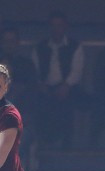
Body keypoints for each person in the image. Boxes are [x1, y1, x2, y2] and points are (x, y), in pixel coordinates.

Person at [31, 11, 84, 149]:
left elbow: (76, 71)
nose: (56, 29)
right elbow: (34, 71)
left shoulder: (75, 47)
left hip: (68, 88)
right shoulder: (39, 47)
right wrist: (41, 85)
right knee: (38, 103)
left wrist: (66, 85)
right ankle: (43, 143)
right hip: (45, 87)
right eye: (53, 26)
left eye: (59, 25)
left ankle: (67, 144)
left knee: (68, 104)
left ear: (65, 27)